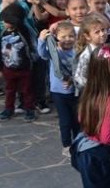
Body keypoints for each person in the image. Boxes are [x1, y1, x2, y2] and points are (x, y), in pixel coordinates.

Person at [75, 43, 110, 187]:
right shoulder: (109, 99)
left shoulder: (90, 91)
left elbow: (81, 118)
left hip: (87, 151)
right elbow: (107, 138)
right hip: (100, 157)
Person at [38, 21, 79, 156]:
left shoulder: (77, 52)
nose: (67, 39)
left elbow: (81, 71)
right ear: (57, 37)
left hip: (75, 91)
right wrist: (41, 40)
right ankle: (66, 145)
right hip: (58, 93)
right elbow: (42, 54)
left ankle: (79, 142)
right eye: (63, 37)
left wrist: (73, 81)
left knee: (77, 120)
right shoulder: (54, 51)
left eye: (71, 36)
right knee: (65, 121)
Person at [73, 13, 110, 94]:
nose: (102, 34)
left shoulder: (106, 48)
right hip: (94, 92)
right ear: (87, 36)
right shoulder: (86, 55)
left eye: (103, 30)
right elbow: (79, 77)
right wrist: (92, 88)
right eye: (97, 32)